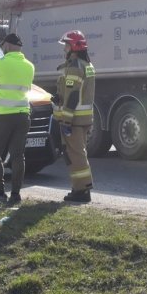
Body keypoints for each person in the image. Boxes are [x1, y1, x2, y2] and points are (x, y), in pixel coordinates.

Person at [0, 33, 35, 207]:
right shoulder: (30, 66)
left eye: (4, 45)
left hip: (2, 116)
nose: (3, 48)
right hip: (23, 115)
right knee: (18, 155)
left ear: (8, 45)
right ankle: (16, 195)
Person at [53, 30, 96, 203]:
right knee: (77, 153)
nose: (64, 48)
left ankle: (82, 191)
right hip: (83, 119)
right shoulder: (87, 65)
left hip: (74, 120)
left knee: (76, 155)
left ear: (74, 47)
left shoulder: (75, 67)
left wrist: (66, 120)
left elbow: (72, 96)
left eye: (67, 45)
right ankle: (79, 188)